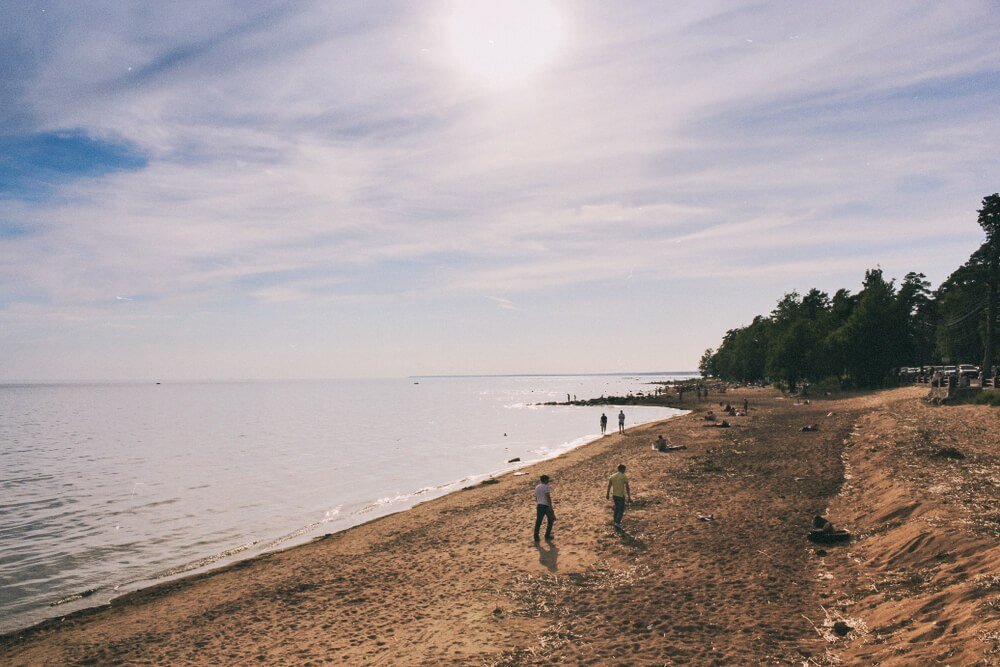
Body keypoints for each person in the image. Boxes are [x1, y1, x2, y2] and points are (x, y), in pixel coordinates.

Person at [606, 464, 631, 528]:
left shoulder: (612, 476)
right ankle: (617, 523)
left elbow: (609, 486)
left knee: (616, 508)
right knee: (621, 509)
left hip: (614, 495)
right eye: (624, 469)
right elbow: (627, 487)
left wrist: (607, 494)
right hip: (621, 495)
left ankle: (615, 521)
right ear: (622, 469)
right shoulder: (623, 476)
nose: (625, 471)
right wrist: (629, 497)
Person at [533, 475, 555, 542]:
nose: (548, 481)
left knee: (538, 521)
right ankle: (547, 535)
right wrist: (550, 507)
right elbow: (548, 497)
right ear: (545, 480)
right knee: (550, 520)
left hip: (539, 505)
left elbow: (536, 497)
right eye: (547, 480)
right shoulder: (546, 487)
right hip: (545, 506)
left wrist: (538, 502)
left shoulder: (537, 487)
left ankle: (536, 537)